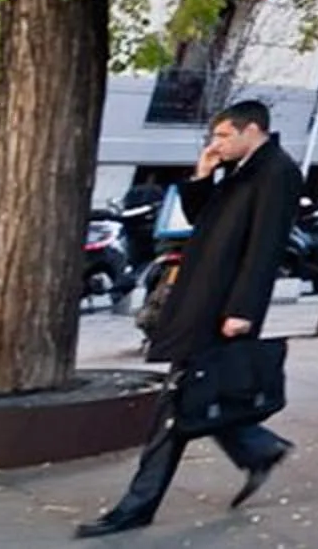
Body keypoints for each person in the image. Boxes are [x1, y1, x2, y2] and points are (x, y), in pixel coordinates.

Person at [78, 100, 300, 537]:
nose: (215, 144)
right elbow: (207, 222)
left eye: (221, 136)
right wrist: (202, 176)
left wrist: (243, 310)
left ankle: (137, 506)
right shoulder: (242, 167)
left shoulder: (278, 172)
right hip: (203, 296)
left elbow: (265, 246)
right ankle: (257, 448)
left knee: (179, 401)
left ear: (250, 130)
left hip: (221, 305)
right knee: (192, 396)